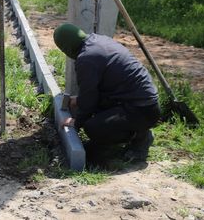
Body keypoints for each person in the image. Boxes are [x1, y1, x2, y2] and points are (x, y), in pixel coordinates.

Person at [53, 23, 161, 163]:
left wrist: (77, 122)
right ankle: (136, 129)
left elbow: (89, 99)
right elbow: (96, 91)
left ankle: (139, 137)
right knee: (95, 112)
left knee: (93, 127)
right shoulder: (97, 41)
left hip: (141, 109)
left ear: (66, 48)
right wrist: (79, 100)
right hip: (141, 103)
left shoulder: (86, 59)